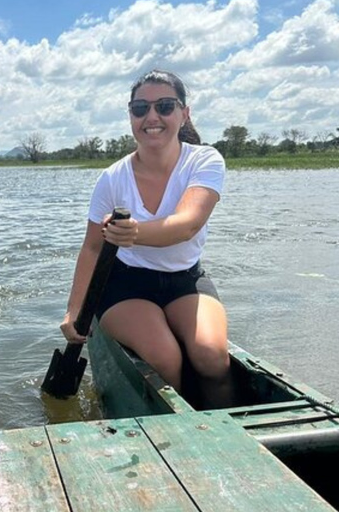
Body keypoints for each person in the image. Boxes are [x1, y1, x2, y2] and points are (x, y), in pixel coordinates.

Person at [60, 70, 232, 408]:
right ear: (130, 116)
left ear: (184, 113)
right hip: (126, 285)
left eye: (165, 106)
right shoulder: (112, 178)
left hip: (186, 280)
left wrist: (132, 232)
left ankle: (231, 429)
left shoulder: (205, 160)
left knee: (212, 357)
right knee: (165, 358)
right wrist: (74, 311)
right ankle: (180, 428)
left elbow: (186, 224)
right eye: (140, 109)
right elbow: (93, 247)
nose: (152, 117)